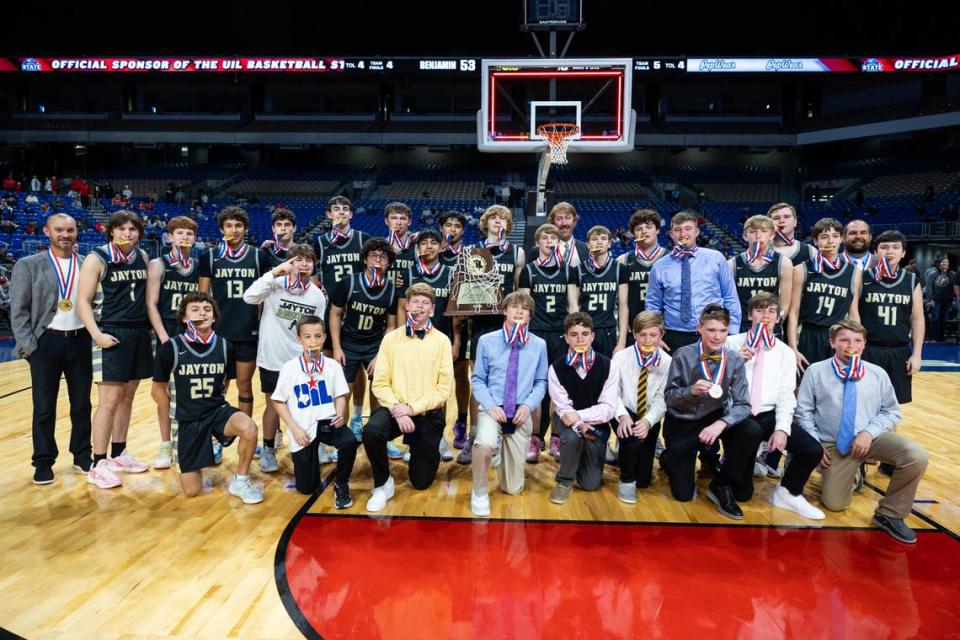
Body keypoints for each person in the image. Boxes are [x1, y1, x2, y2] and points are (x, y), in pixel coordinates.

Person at [795, 320, 927, 543]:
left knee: (916, 457)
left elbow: (891, 412)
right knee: (835, 505)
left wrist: (868, 433)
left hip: (872, 438)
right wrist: (814, 445)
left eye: (857, 340)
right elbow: (803, 411)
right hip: (832, 442)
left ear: (865, 344)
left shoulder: (877, 374)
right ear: (832, 342)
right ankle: (853, 471)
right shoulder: (816, 371)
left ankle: (890, 514)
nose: (851, 345)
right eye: (844, 339)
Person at [151, 292, 262, 503]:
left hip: (215, 412)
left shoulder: (225, 346)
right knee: (192, 491)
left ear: (214, 318)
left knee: (249, 428)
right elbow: (157, 391)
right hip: (187, 421)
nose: (202, 313)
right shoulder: (171, 348)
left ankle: (240, 480)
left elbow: (224, 385)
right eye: (195, 309)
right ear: (184, 318)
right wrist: (176, 414)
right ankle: (196, 454)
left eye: (207, 309)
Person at [727, 293, 825, 519]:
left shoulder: (786, 352)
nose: (765, 316)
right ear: (750, 315)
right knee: (742, 494)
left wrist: (782, 428)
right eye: (760, 310)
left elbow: (786, 395)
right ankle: (736, 463)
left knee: (812, 450)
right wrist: (735, 363)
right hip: (738, 414)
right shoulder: (731, 344)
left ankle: (788, 491)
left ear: (778, 318)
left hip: (768, 413)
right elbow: (718, 389)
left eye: (771, 311)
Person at [10, 213, 92, 485]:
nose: (65, 235)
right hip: (46, 342)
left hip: (80, 340)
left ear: (76, 232)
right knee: (44, 407)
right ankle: (43, 462)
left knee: (82, 404)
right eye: (59, 230)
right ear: (47, 231)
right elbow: (18, 311)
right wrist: (30, 347)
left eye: (70, 230)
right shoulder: (28, 264)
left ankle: (82, 456)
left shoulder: (87, 263)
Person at [661, 304, 761, 519]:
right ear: (700, 329)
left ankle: (721, 483)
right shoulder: (683, 355)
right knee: (683, 494)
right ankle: (671, 457)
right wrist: (691, 391)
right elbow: (669, 398)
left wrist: (721, 423)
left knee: (751, 430)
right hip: (682, 422)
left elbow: (744, 404)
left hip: (715, 417)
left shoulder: (733, 359)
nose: (717, 336)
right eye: (711, 330)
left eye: (722, 331)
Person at [76, 210, 153, 488]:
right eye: (121, 229)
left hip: (138, 332)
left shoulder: (142, 257)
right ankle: (98, 462)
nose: (127, 234)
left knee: (127, 398)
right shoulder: (97, 258)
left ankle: (119, 454)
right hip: (110, 330)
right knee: (108, 400)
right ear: (111, 231)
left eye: (133, 229)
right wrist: (97, 334)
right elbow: (82, 302)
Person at [362, 283, 453, 511]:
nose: (419, 306)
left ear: (432, 310)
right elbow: (380, 383)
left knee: (421, 482)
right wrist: (397, 408)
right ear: (407, 306)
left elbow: (444, 390)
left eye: (425, 303)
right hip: (395, 410)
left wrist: (412, 409)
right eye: (415, 302)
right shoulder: (391, 339)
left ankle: (428, 452)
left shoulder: (442, 341)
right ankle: (383, 483)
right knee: (372, 431)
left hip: (426, 413)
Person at [243, 244, 327, 473]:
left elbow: (317, 331)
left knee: (308, 404)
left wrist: (314, 358)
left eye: (309, 260)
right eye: (298, 260)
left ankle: (313, 443)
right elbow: (249, 297)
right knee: (273, 404)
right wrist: (273, 273)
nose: (304, 264)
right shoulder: (275, 285)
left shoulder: (317, 296)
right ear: (288, 263)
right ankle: (268, 448)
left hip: (301, 360)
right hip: (273, 357)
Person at [469, 291, 548, 516]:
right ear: (505, 310)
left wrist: (528, 406)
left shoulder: (539, 345)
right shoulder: (487, 341)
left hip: (521, 411)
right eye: (514, 306)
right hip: (492, 408)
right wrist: (491, 406)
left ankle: (503, 458)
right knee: (484, 443)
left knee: (512, 489)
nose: (519, 311)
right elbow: (477, 379)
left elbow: (541, 381)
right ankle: (480, 491)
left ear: (530, 315)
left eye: (524, 308)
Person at [462, 205, 525, 462]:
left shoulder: (517, 253)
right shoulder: (472, 251)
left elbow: (520, 292)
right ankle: (474, 435)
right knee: (478, 383)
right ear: (485, 222)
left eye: (503, 219)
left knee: (506, 381)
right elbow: (463, 288)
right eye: (494, 218)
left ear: (508, 225)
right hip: (478, 324)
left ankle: (501, 436)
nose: (498, 221)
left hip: (506, 326)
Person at [272, 316, 356, 507]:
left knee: (349, 440)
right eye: (308, 337)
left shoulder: (333, 366)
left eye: (317, 336)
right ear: (299, 340)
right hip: (302, 429)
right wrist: (294, 428)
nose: (313, 341)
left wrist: (340, 414)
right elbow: (278, 401)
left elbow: (341, 395)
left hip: (326, 424)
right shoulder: (290, 368)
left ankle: (341, 483)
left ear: (324, 338)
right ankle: (312, 454)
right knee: (307, 488)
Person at [198, 206, 272, 418]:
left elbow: (265, 297)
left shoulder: (259, 256)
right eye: (229, 225)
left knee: (244, 385)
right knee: (218, 387)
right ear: (222, 229)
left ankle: (245, 433)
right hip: (218, 332)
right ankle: (215, 437)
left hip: (247, 331)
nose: (234, 230)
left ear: (245, 228)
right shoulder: (209, 257)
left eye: (238, 225)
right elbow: (202, 297)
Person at [329, 238, 399, 453]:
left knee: (379, 392)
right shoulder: (349, 282)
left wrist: (381, 354)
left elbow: (390, 326)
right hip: (349, 343)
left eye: (383, 257)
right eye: (373, 256)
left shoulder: (392, 289)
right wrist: (337, 347)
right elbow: (335, 313)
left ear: (389, 263)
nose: (378, 260)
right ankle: (343, 436)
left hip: (375, 345)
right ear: (365, 260)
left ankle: (379, 436)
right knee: (344, 392)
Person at [396, 229, 459, 461]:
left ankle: (439, 437)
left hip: (440, 341)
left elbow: (454, 311)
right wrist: (402, 339)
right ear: (418, 247)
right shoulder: (409, 273)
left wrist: (457, 341)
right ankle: (413, 442)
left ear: (442, 247)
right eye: (424, 243)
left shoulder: (451, 272)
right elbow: (402, 307)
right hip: (413, 341)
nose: (429, 246)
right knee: (414, 389)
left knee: (438, 392)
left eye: (434, 242)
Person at [518, 223, 579, 461]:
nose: (549, 241)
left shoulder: (568, 270)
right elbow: (523, 308)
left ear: (558, 242)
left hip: (560, 335)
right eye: (545, 237)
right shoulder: (529, 271)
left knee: (557, 390)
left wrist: (573, 335)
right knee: (536, 388)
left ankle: (555, 436)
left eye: (553, 237)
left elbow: (573, 306)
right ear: (538, 243)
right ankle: (535, 437)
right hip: (536, 334)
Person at [546, 312, 620, 505]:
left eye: (585, 333)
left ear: (592, 336)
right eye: (574, 334)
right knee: (571, 437)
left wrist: (579, 417)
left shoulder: (609, 366)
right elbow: (563, 408)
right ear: (566, 338)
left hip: (596, 423)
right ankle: (564, 481)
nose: (580, 339)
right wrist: (578, 423)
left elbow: (608, 409)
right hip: (564, 421)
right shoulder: (556, 368)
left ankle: (585, 455)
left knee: (590, 484)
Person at [146, 216, 200, 469]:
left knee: (191, 389)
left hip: (192, 331)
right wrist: (164, 337)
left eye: (189, 234)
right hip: (167, 329)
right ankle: (166, 444)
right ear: (170, 236)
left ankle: (195, 441)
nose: (185, 237)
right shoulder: (159, 264)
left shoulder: (199, 265)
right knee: (163, 391)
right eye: (180, 233)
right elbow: (151, 304)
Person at [312, 195, 370, 432]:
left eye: (345, 209)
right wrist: (319, 288)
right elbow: (311, 270)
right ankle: (329, 417)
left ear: (351, 214)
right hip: (331, 311)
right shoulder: (320, 242)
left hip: (355, 310)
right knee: (330, 368)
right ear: (329, 214)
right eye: (336, 209)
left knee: (356, 369)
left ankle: (356, 416)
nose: (341, 213)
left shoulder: (362, 239)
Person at [646, 211, 741, 352]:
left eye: (688, 228)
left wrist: (732, 332)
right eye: (677, 230)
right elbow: (653, 305)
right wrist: (654, 336)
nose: (683, 234)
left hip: (712, 332)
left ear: (696, 232)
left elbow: (730, 296)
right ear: (671, 234)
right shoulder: (659, 266)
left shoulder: (716, 258)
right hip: (674, 334)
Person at [611, 312, 672, 503]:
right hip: (624, 410)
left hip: (648, 415)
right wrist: (622, 416)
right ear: (634, 334)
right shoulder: (621, 358)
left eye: (653, 335)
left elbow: (663, 398)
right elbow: (612, 393)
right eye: (642, 335)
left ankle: (624, 454)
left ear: (661, 336)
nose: (647, 340)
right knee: (630, 438)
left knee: (644, 480)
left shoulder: (667, 362)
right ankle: (626, 481)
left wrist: (648, 422)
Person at [788, 218, 861, 374]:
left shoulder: (854, 273)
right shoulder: (802, 269)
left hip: (838, 335)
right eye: (824, 236)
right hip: (808, 335)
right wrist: (793, 348)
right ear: (815, 241)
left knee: (836, 385)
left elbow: (854, 314)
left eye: (835, 236)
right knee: (803, 386)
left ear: (842, 239)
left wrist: (856, 344)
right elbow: (793, 313)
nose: (830, 241)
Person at [437, 210, 471, 451]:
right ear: (441, 229)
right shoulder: (432, 253)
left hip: (462, 321)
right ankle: (436, 427)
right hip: (437, 322)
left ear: (463, 231)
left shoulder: (470, 255)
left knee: (460, 374)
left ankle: (461, 421)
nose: (452, 229)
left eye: (457, 226)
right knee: (436, 378)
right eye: (448, 225)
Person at [728, 215, 793, 333]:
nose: (758, 236)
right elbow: (729, 300)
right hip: (742, 326)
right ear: (745, 236)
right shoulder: (732, 264)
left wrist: (775, 321)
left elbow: (785, 304)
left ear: (772, 235)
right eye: (752, 232)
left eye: (764, 231)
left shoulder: (783, 263)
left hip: (771, 326)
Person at [576, 225, 629, 357]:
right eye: (594, 239)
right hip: (585, 329)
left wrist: (621, 342)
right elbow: (574, 306)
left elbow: (623, 306)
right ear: (588, 244)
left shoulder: (619, 269)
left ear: (610, 243)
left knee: (608, 373)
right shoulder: (578, 270)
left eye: (603, 238)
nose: (599, 242)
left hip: (609, 330)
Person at [617, 208, 668, 347]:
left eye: (649, 227)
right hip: (633, 332)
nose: (644, 231)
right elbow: (618, 302)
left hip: (665, 332)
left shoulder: (670, 259)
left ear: (657, 230)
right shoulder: (623, 260)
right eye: (639, 228)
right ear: (633, 233)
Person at [524, 202, 588, 267]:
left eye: (568, 218)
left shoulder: (586, 249)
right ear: (553, 223)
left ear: (574, 221)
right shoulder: (537, 251)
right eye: (559, 219)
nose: (564, 223)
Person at [767, 202, 816, 267]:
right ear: (768, 224)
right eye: (776, 218)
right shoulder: (759, 250)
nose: (781, 221)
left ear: (795, 222)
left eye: (787, 217)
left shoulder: (810, 252)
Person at [383, 202, 418, 290]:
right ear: (386, 221)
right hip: (384, 296)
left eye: (403, 218)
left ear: (409, 221)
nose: (398, 223)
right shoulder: (379, 246)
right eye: (394, 218)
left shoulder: (418, 247)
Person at [924, 257, 956, 342]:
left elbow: (955, 286)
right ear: (939, 264)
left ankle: (941, 338)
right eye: (943, 262)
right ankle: (933, 337)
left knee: (944, 319)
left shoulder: (953, 274)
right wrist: (930, 299)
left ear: (948, 265)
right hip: (936, 300)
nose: (945, 264)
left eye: (946, 262)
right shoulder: (933, 274)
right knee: (935, 318)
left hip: (948, 300)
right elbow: (929, 287)